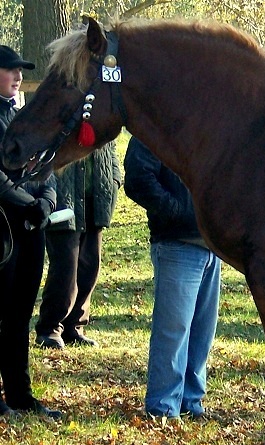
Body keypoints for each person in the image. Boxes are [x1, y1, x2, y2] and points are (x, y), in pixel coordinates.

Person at [124, 137, 221, 419]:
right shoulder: (154, 126)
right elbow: (138, 179)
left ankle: (191, 402)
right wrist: (178, 212)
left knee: (202, 334)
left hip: (211, 246)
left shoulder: (203, 125)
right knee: (173, 331)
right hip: (176, 244)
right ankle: (163, 406)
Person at [0, 45, 61, 418]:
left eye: (21, 71)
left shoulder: (24, 114)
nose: (18, 76)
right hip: (4, 229)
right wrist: (28, 201)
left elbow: (47, 164)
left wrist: (47, 202)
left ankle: (20, 395)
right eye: (10, 70)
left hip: (31, 226)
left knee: (21, 312)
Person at [35, 142, 121, 349]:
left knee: (89, 268)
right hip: (65, 201)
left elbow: (110, 150)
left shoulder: (101, 114)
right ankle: (50, 328)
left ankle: (75, 326)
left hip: (96, 198)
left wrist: (115, 180)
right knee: (65, 271)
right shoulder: (62, 112)